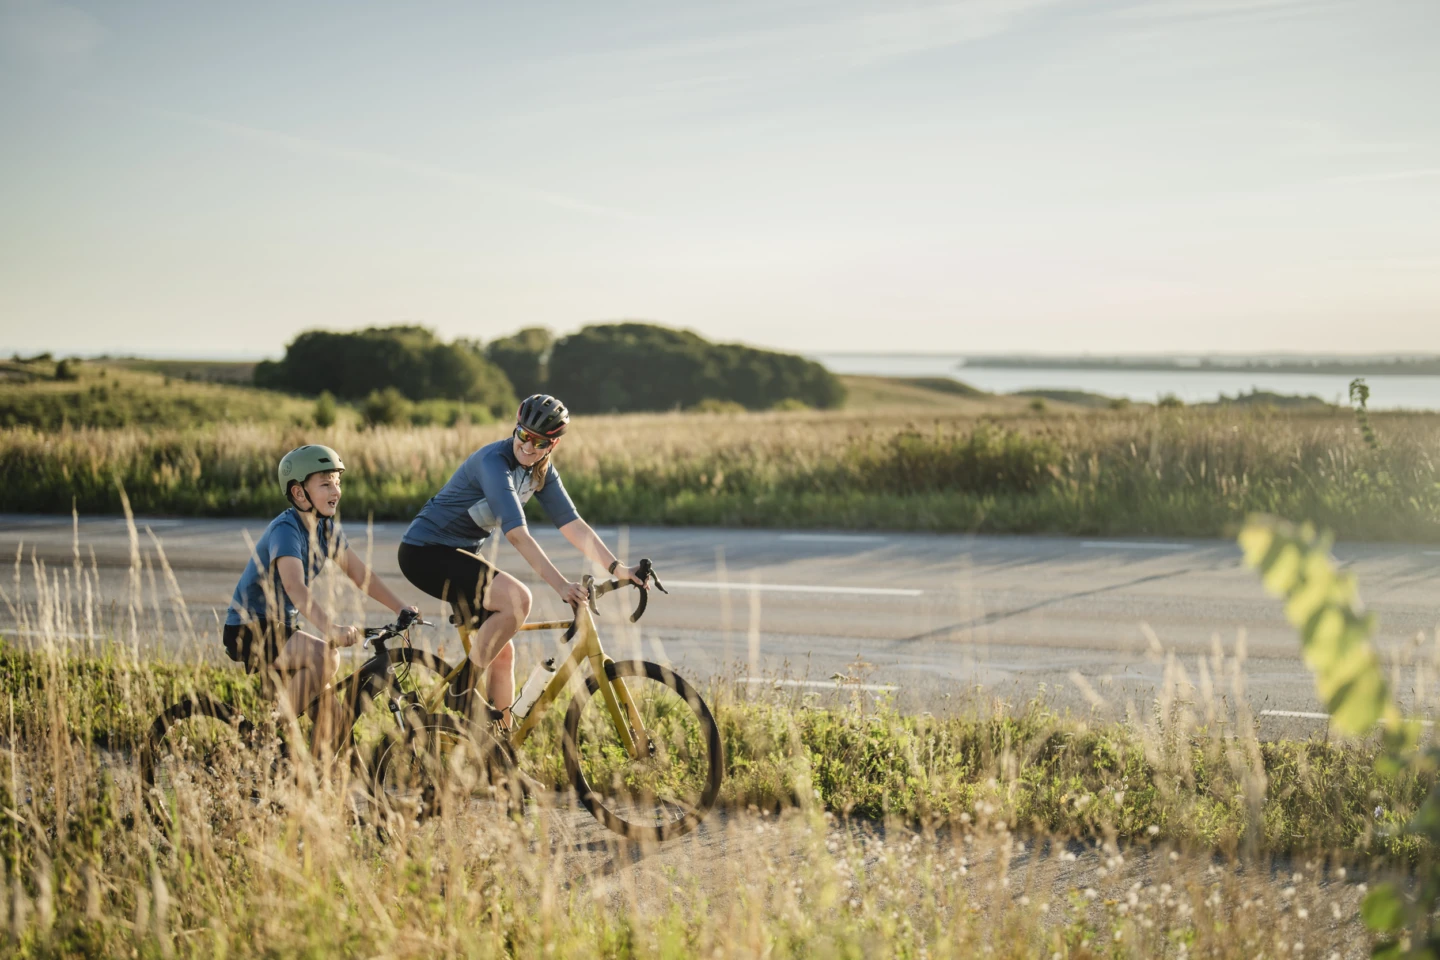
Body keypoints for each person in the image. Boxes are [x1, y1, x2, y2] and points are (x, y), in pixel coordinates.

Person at [397, 394, 644, 727]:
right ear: (516, 427)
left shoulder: (541, 471)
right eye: (524, 435)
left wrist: (618, 568)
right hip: (425, 552)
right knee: (517, 600)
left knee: (502, 653)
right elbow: (516, 534)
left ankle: (502, 748)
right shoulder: (494, 462)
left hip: (458, 555)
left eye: (539, 442)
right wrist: (561, 586)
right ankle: (462, 691)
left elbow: (572, 524)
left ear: (553, 445)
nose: (528, 447)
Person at [224, 444, 418, 751]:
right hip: (248, 628)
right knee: (326, 656)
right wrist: (331, 629)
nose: (336, 491)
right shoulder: (286, 530)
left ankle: (308, 775)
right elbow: (295, 588)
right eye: (326, 484)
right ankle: (264, 740)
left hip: (283, 631)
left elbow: (360, 575)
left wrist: (400, 607)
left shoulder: (326, 529)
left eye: (337, 483)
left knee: (335, 722)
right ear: (299, 493)